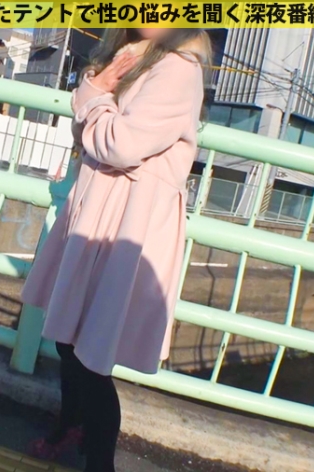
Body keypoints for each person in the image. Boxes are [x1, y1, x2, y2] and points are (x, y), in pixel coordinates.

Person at [20, 28, 212, 472]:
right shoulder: (133, 54)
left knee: (91, 357)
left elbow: (120, 144)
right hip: (99, 210)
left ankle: (99, 462)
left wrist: (94, 93)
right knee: (67, 340)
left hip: (129, 219)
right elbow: (88, 131)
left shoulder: (178, 67)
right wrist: (97, 91)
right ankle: (70, 428)